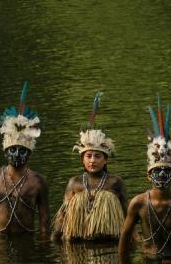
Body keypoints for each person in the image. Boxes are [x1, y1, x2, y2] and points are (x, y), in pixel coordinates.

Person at [119, 97, 171, 264]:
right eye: (157, 171)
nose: (162, 175)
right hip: (149, 261)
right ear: (148, 175)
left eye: (167, 171)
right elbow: (124, 238)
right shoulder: (138, 203)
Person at [51, 92, 128, 242]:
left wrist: (132, 238)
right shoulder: (75, 183)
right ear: (82, 159)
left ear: (105, 160)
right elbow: (63, 214)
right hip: (78, 243)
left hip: (109, 242)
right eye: (88, 156)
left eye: (97, 156)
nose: (92, 160)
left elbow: (127, 213)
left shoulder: (115, 182)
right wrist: (55, 237)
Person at [0, 82, 50, 238]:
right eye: (12, 150)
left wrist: (44, 249)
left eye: (22, 150)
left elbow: (45, 221)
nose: (17, 154)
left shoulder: (38, 182)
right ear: (5, 151)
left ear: (30, 153)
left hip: (26, 240)